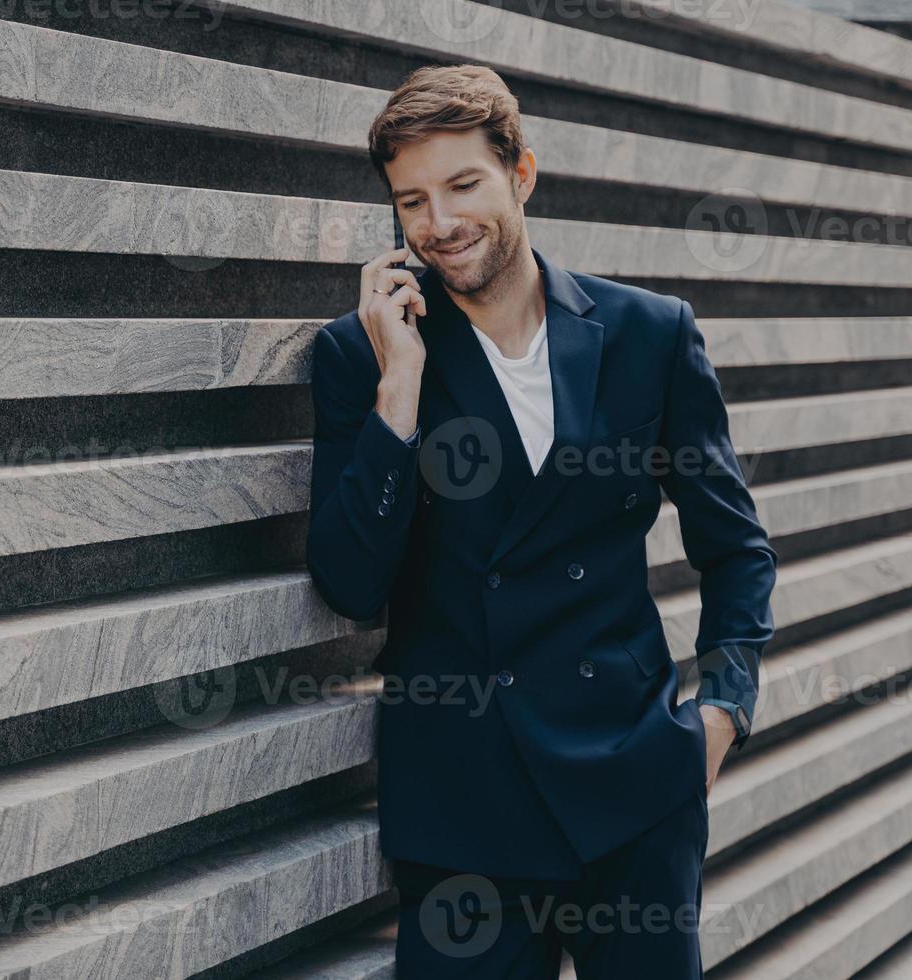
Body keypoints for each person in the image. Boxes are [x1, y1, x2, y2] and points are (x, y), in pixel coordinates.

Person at [305, 64, 777, 978]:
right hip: (463, 812)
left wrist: (721, 713)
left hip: (634, 789)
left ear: (522, 173)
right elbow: (352, 583)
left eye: (463, 185)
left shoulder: (650, 333)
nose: (439, 224)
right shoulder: (358, 354)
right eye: (412, 202)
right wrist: (395, 390)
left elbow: (736, 549)